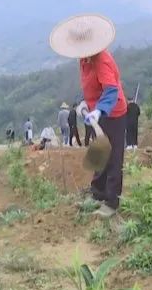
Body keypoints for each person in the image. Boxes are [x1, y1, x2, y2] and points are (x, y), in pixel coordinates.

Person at [49, 13, 127, 218]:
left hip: (113, 113)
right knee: (99, 151)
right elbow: (92, 87)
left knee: (113, 157)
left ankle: (111, 201)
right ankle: (97, 192)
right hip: (96, 113)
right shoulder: (85, 60)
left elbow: (111, 90)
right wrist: (87, 104)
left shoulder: (102, 61)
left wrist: (100, 110)